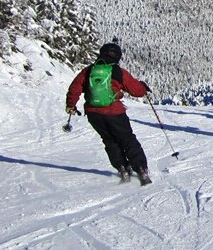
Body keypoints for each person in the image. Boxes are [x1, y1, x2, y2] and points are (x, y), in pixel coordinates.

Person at [66, 41, 154, 184]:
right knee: (127, 139)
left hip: (93, 114)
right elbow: (135, 90)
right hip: (114, 113)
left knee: (109, 140)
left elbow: (74, 88)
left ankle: (122, 168)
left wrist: (70, 105)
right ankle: (141, 169)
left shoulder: (88, 71)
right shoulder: (117, 72)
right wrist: (143, 88)